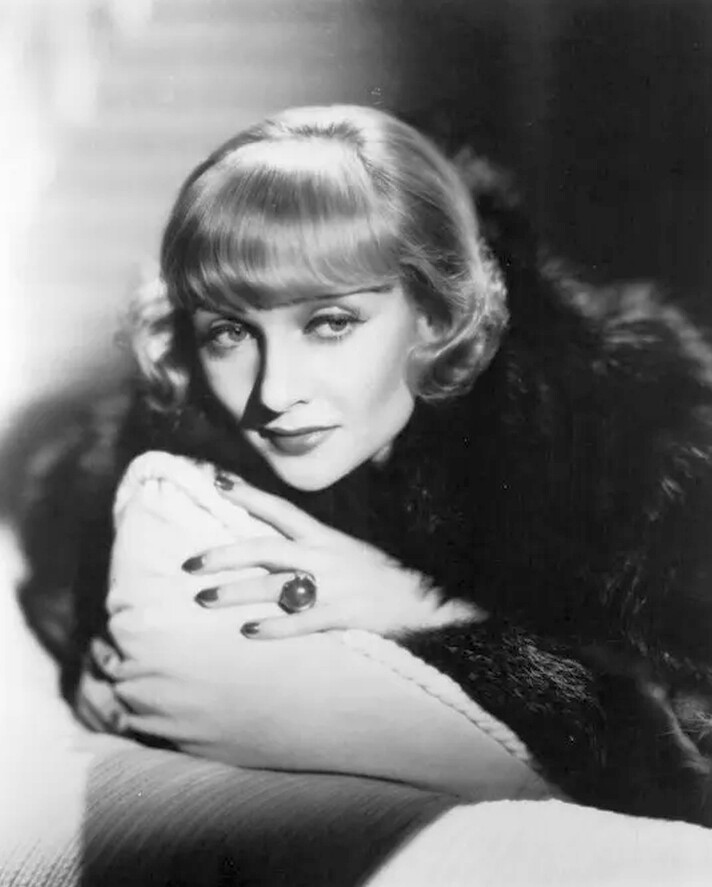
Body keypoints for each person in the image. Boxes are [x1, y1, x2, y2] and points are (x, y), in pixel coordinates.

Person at [18, 104, 712, 827]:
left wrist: (426, 613)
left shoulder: (634, 434)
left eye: (330, 323)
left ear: (437, 316)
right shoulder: (186, 441)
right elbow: (60, 528)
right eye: (230, 331)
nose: (274, 392)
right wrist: (84, 645)